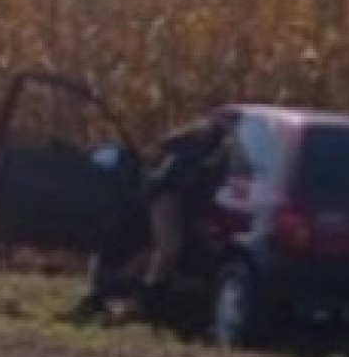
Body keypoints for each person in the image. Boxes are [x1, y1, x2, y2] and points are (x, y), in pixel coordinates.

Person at [70, 109, 237, 323]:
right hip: (166, 196)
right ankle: (147, 293)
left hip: (162, 195)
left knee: (151, 250)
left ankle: (113, 292)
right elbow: (184, 180)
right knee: (169, 248)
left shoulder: (192, 143)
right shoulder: (203, 146)